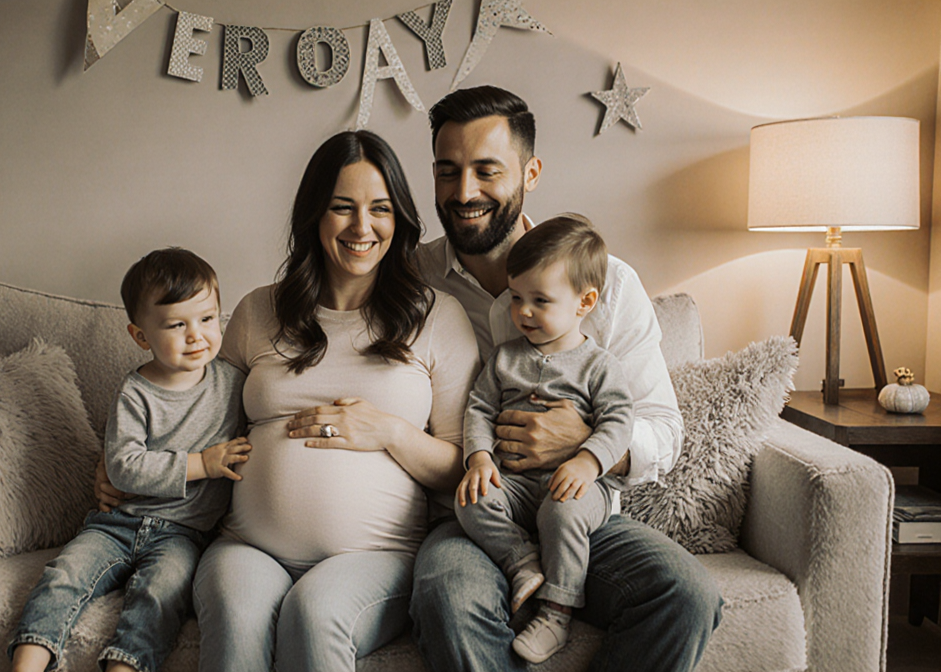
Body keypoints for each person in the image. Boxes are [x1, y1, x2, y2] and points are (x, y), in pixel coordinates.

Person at [410, 86, 723, 671]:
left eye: (487, 170)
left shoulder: (608, 285)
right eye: (447, 171)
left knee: (685, 595)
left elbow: (663, 429)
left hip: (580, 504)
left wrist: (585, 447)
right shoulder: (411, 283)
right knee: (448, 594)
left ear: (531, 172)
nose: (464, 192)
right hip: (481, 510)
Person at [191, 130, 480, 672]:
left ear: (400, 219)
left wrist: (390, 432)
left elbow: (460, 466)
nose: (361, 227)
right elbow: (199, 422)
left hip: (376, 558)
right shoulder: (258, 311)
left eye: (380, 209)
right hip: (249, 548)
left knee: (315, 613)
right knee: (236, 614)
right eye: (341, 208)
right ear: (314, 217)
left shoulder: (437, 316)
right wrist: (129, 466)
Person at [9, 248, 249, 672]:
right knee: (62, 576)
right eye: (177, 325)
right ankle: (27, 662)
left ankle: (125, 666)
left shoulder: (234, 384)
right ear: (141, 336)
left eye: (208, 319)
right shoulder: (135, 391)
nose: (197, 335)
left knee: (160, 593)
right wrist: (203, 464)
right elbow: (123, 466)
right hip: (116, 524)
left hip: (183, 534)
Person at [456, 215, 633, 664]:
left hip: (575, 486)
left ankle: (556, 613)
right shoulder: (505, 358)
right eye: (516, 298)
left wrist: (588, 462)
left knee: (563, 510)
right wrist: (479, 459)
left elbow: (619, 421)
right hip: (515, 483)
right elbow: (479, 407)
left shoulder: (599, 366)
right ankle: (523, 562)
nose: (524, 313)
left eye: (540, 301)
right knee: (470, 501)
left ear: (584, 302)